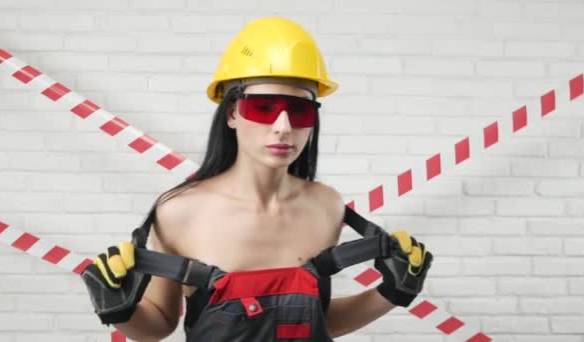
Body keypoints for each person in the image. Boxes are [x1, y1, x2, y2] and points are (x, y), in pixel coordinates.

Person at [81, 17, 433, 341]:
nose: (284, 126)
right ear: (232, 113)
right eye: (263, 107)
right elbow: (159, 323)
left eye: (299, 109)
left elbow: (312, 320)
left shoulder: (327, 206)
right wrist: (120, 309)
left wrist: (393, 292)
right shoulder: (179, 211)